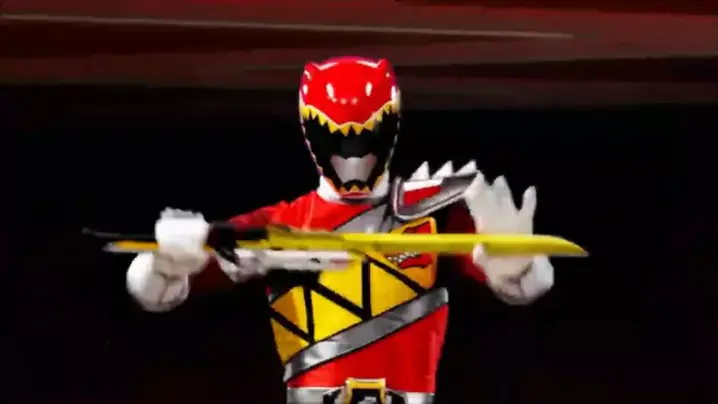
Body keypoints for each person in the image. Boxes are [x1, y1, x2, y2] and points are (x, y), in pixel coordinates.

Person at [126, 56, 554, 404]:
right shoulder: (280, 225)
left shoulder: (432, 216)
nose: (354, 156)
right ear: (312, 130)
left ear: (390, 126)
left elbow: (524, 286)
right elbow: (155, 293)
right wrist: (164, 262)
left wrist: (517, 266)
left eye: (367, 135)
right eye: (339, 137)